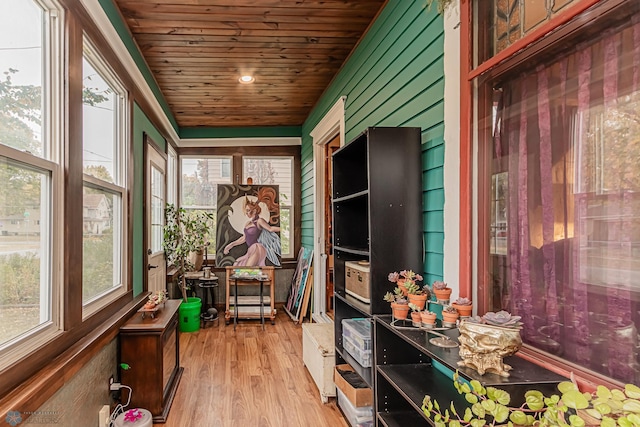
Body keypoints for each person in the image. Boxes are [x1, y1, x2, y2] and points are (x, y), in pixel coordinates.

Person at [223, 187, 281, 266]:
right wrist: (231, 245)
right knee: (237, 264)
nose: (246, 213)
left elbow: (270, 229)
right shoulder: (247, 223)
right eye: (245, 210)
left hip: (257, 248)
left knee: (248, 269)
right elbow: (244, 238)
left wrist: (283, 229)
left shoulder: (259, 221)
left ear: (254, 210)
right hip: (251, 249)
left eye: (248, 210)